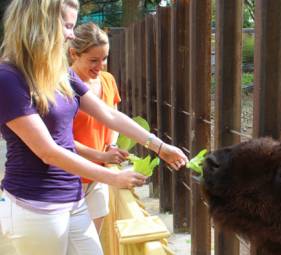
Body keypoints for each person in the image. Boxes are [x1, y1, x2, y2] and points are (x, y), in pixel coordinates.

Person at [0, 1, 188, 255]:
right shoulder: (8, 77)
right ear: (40, 24)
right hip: (36, 204)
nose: (70, 34)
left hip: (73, 198)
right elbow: (48, 151)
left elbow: (108, 114)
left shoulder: (59, 72)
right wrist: (113, 177)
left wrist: (159, 146)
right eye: (67, 25)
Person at [69, 22, 127, 234]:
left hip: (100, 176)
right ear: (74, 54)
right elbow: (59, 140)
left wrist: (111, 147)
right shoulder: (63, 85)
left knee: (92, 242)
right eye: (93, 60)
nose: (101, 65)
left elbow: (113, 120)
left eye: (104, 58)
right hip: (69, 175)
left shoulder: (108, 80)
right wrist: (99, 156)